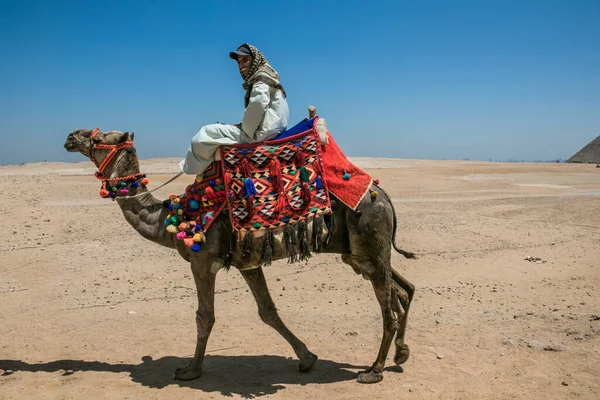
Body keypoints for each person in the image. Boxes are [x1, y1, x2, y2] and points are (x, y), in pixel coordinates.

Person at [180, 43, 289, 177]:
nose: (241, 65)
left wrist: (245, 130)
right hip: (271, 129)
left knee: (205, 134)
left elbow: (258, 104)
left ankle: (195, 171)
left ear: (255, 59)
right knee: (221, 133)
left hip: (259, 134)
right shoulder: (270, 76)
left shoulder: (261, 78)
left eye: (245, 60)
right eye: (239, 62)